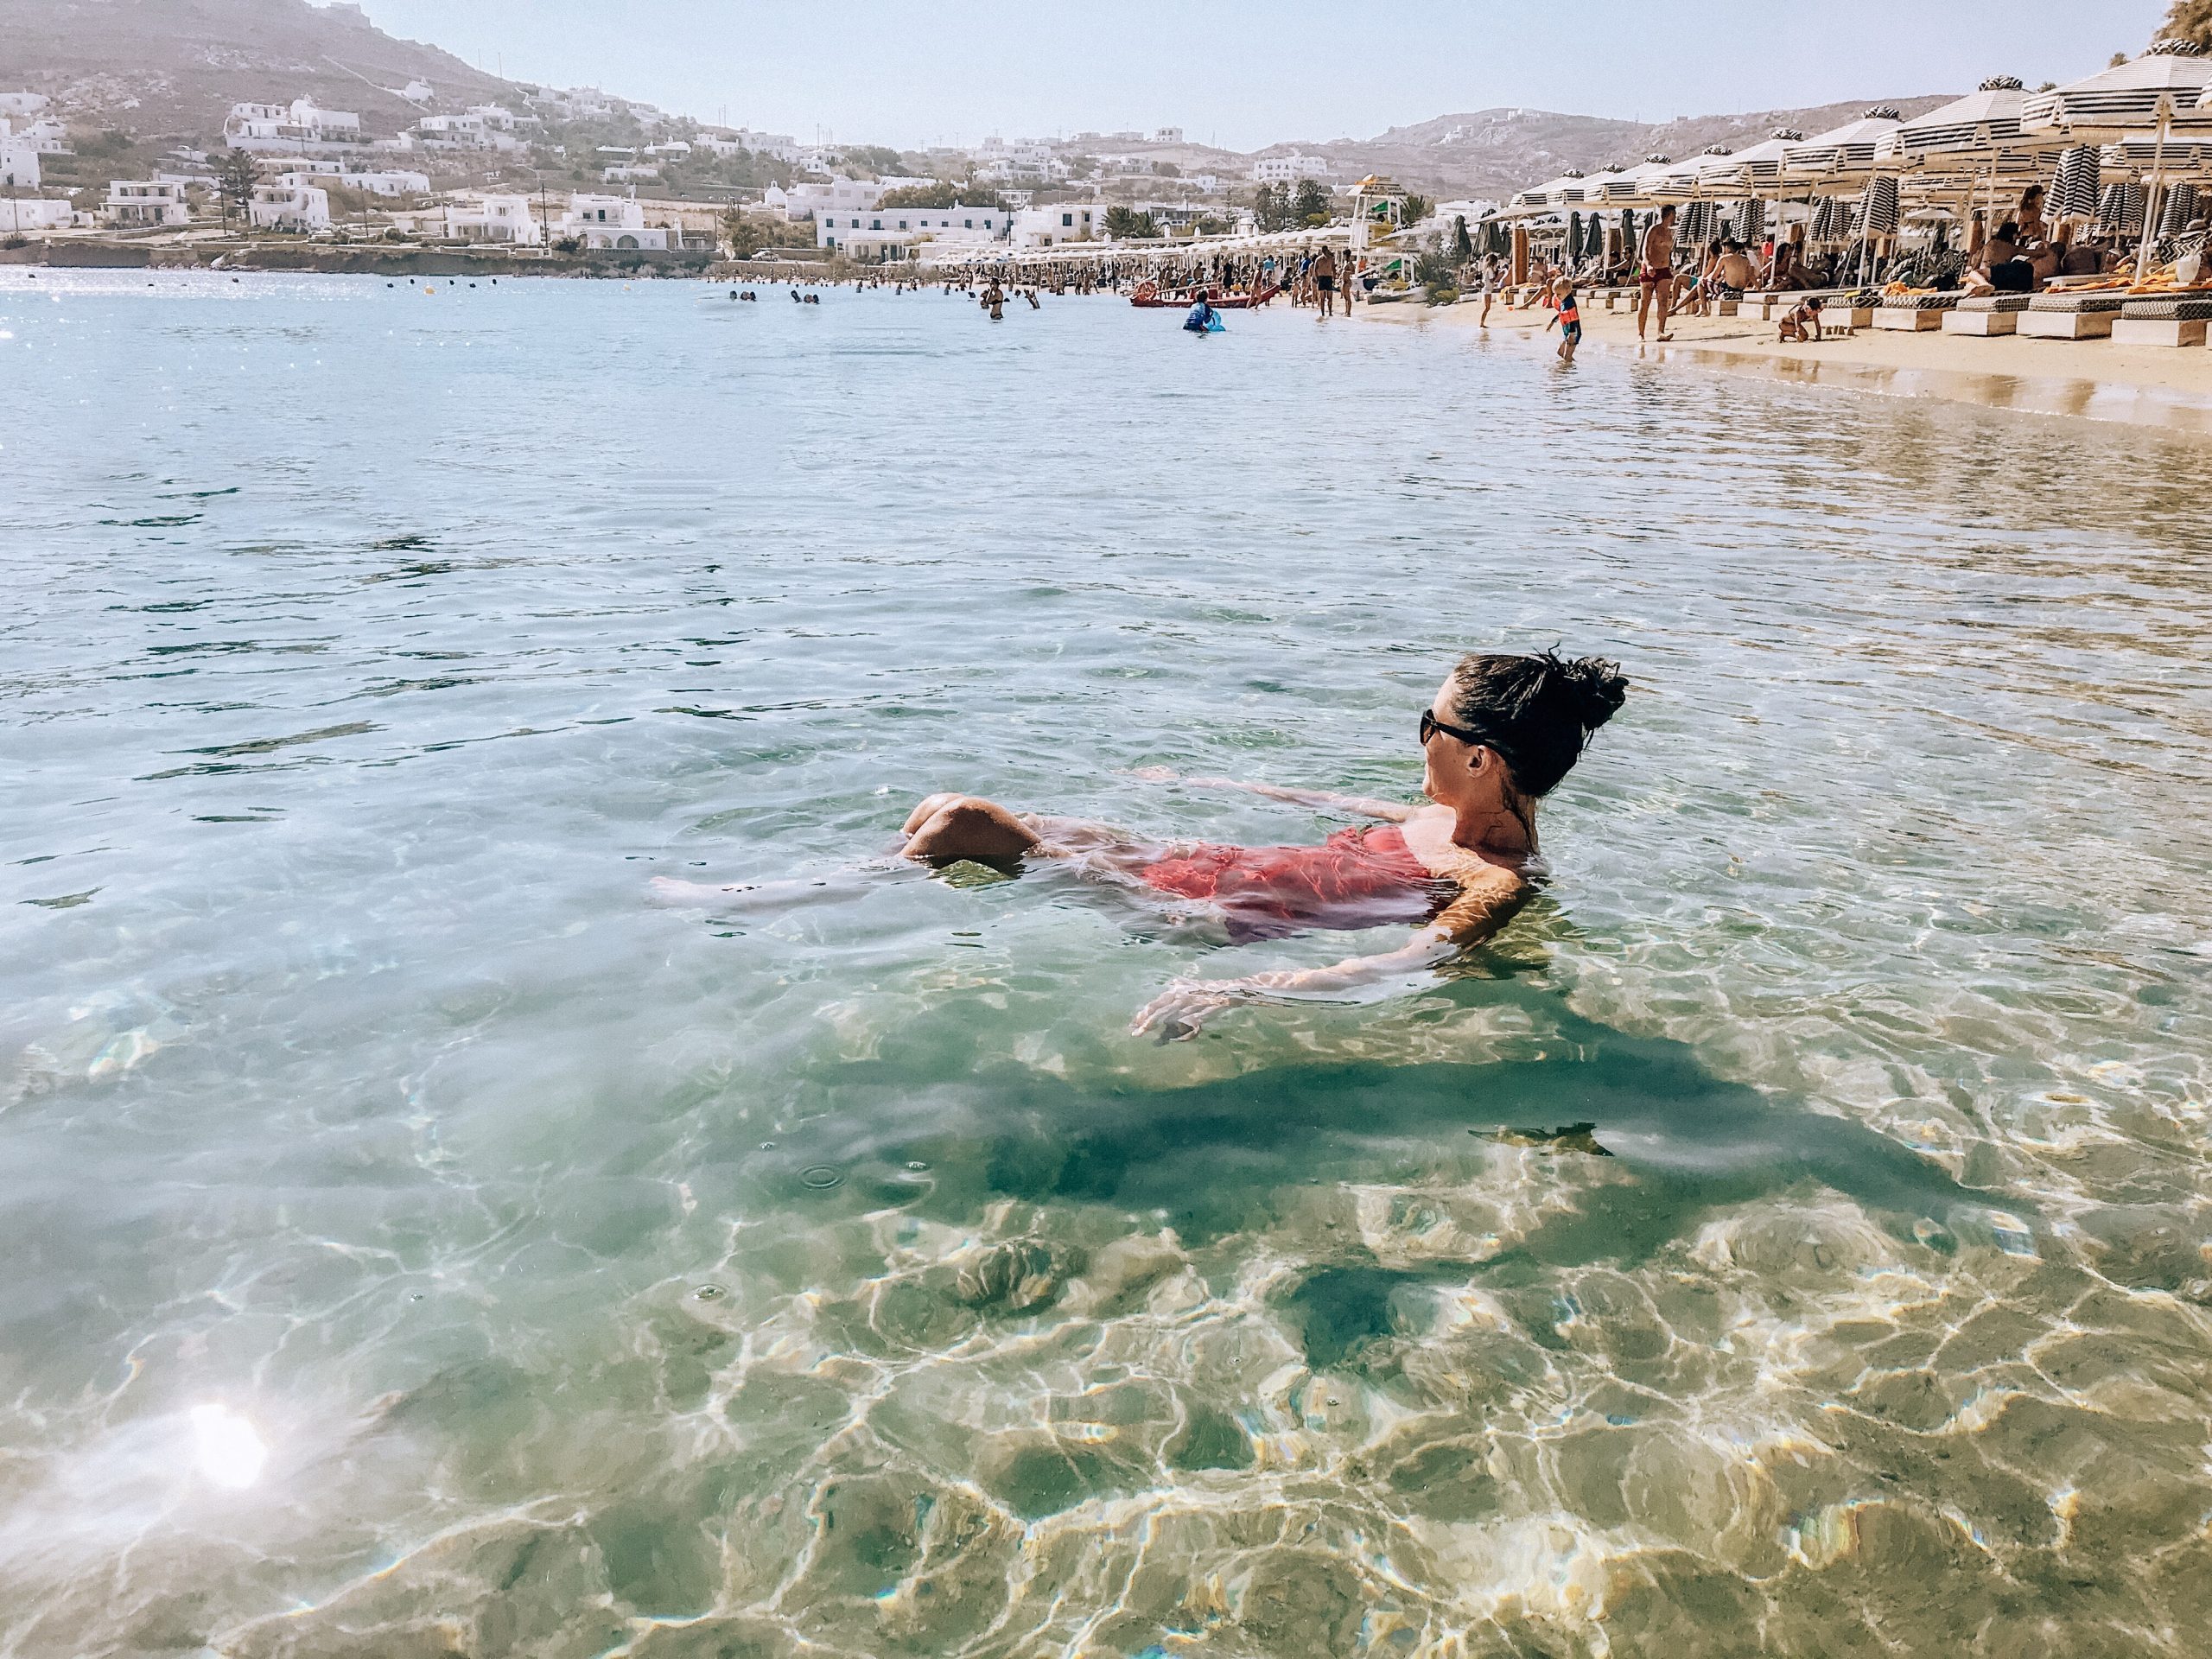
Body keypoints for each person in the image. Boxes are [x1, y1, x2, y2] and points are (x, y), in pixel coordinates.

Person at [805, 652, 1630, 1039]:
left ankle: (796, 901)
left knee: (965, 821)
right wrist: (1214, 785)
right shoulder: (1438, 822)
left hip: (1201, 911)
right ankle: (853, 888)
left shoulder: (1494, 884)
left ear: (1480, 757)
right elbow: (1320, 801)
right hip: (1209, 861)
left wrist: (1244, 990)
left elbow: (1396, 966)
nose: (1419, 740)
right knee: (933, 810)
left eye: (1431, 727)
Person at [1637, 205, 1677, 341]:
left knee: (1663, 301)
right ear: (1669, 215)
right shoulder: (1654, 229)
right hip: (1650, 268)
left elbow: (1667, 252)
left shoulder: (1669, 233)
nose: (1675, 217)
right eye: (1674, 214)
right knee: (1645, 302)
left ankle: (1660, 332)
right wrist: (1648, 264)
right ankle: (1641, 334)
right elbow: (1645, 249)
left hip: (1664, 269)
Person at [1546, 275, 1582, 361]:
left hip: (1573, 332)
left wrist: (1572, 334)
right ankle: (1573, 365)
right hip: (1567, 331)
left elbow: (1573, 319)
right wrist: (1552, 322)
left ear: (1568, 291)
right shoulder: (1564, 301)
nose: (1557, 296)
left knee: (1567, 356)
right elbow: (1561, 314)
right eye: (1555, 294)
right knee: (1560, 352)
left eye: (1559, 294)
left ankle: (1573, 371)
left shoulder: (1569, 303)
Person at [1313, 245, 1338, 316]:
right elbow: (1333, 269)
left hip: (1324, 278)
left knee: (1323, 297)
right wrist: (1334, 278)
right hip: (1326, 278)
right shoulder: (1328, 259)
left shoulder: (1321, 259)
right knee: (1326, 297)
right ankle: (1327, 313)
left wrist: (1317, 278)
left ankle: (1325, 313)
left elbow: (1315, 270)